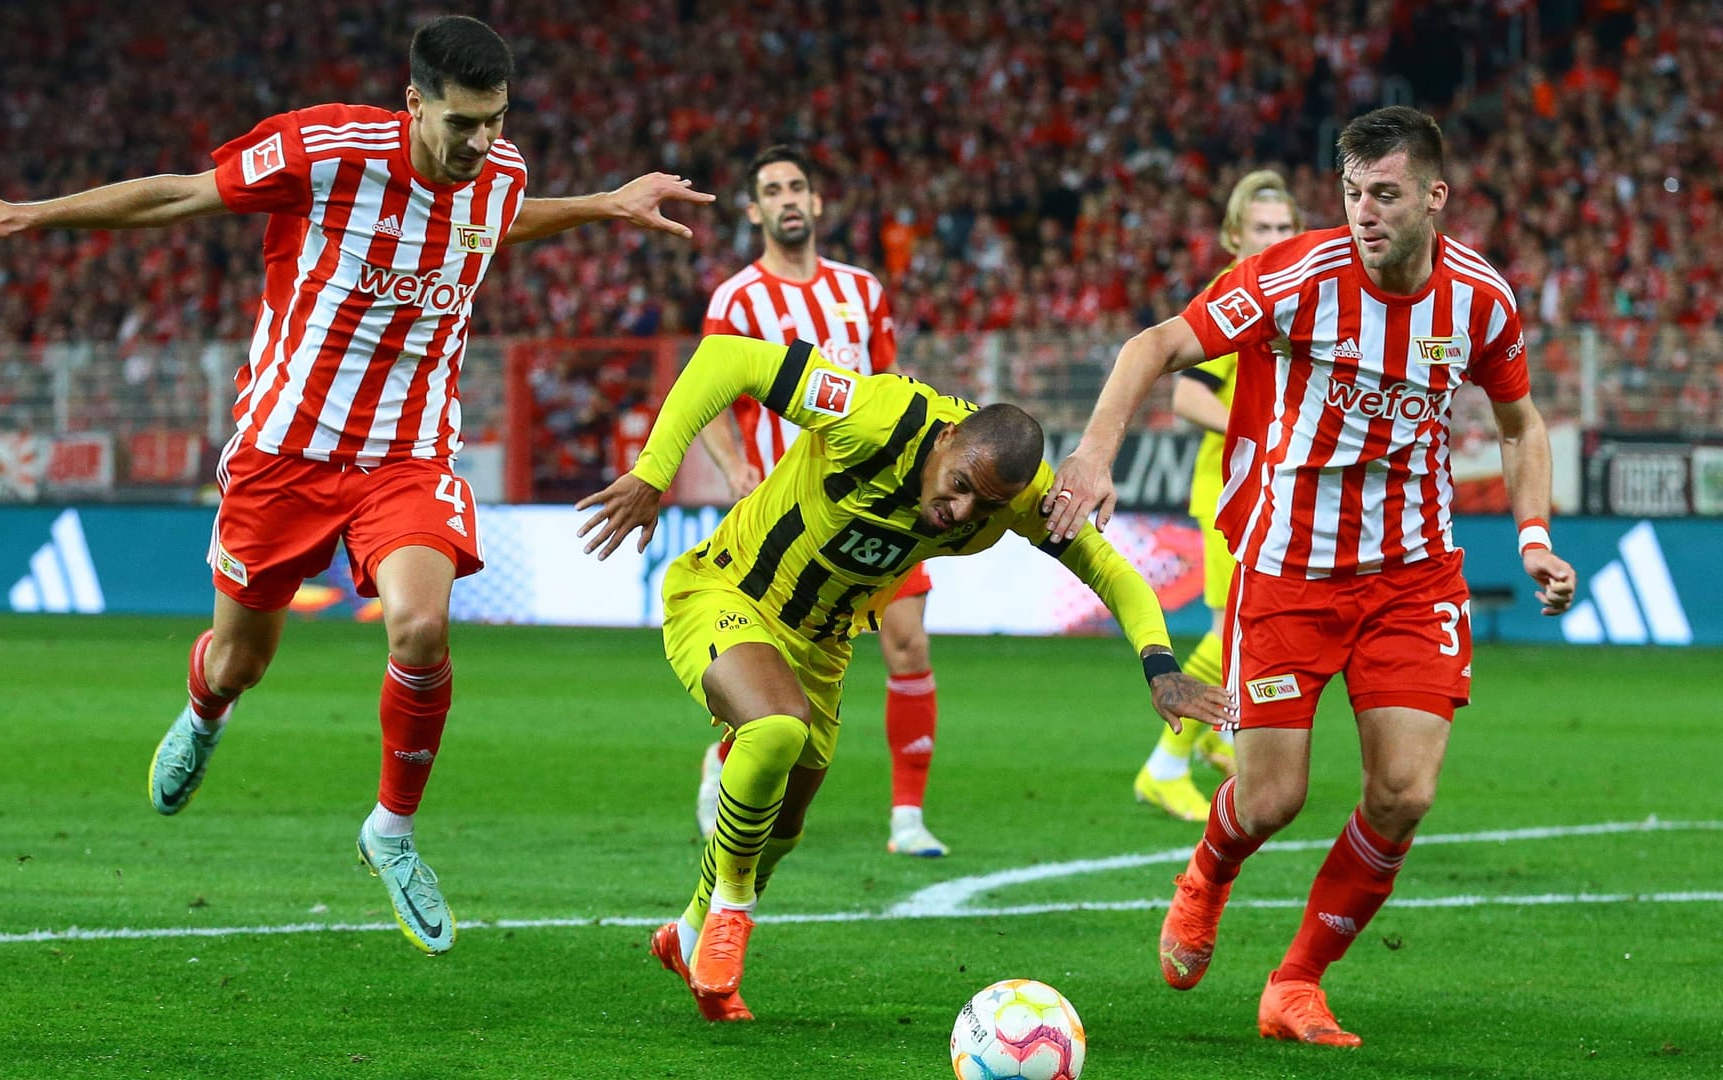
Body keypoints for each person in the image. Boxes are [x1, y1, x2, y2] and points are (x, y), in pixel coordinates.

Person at [0, 14, 712, 957]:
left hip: (406, 454)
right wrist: (26, 214)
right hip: (283, 452)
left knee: (421, 624)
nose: (481, 142)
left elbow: (499, 220)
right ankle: (208, 708)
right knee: (239, 660)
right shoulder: (325, 150)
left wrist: (606, 204)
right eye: (461, 123)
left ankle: (392, 830)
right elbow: (180, 197)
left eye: (495, 120)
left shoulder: (499, 174)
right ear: (413, 104)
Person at [1043, 106, 1577, 1047]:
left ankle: (1296, 982)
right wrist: (1092, 454)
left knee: (1404, 792)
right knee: (1271, 800)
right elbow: (1154, 348)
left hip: (1413, 576)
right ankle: (1208, 870)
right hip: (1287, 569)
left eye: (1385, 194)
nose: (1364, 212)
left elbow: (1521, 424)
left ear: (1433, 198)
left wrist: (1533, 536)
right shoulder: (1299, 275)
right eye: (1351, 193)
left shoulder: (1483, 302)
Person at [576, 334, 1231, 1022]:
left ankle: (687, 932)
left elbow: (1109, 568)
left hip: (823, 647)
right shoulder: (875, 416)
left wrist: (1159, 666)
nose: (962, 513)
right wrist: (654, 473)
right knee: (773, 728)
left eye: (984, 507)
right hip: (728, 592)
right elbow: (726, 358)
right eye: (959, 488)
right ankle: (732, 912)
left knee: (786, 824)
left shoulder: (1013, 495)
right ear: (947, 439)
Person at [694, 144, 949, 858]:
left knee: (908, 643)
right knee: (776, 677)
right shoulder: (737, 299)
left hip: (879, 509)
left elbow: (895, 385)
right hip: (784, 525)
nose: (788, 199)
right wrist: (737, 465)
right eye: (772, 189)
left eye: (798, 187)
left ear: (818, 202)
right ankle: (725, 762)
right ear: (754, 211)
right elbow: (711, 393)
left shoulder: (863, 292)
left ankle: (907, 817)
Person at [1132, 169, 1300, 822]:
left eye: (1286, 227)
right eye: (1262, 229)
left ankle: (1216, 741)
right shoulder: (1233, 293)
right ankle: (1165, 765)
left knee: (1251, 632)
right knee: (1233, 629)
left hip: (1277, 491)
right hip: (1230, 490)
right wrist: (1258, 429)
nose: (1276, 239)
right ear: (1235, 236)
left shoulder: (1298, 292)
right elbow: (1187, 392)